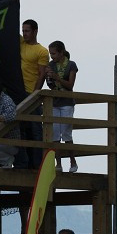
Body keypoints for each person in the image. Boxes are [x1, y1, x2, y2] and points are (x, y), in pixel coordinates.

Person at [18, 19, 49, 169]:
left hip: (31, 92)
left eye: (27, 31)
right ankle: (23, 163)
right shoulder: (21, 43)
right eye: (23, 31)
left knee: (36, 129)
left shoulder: (42, 51)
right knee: (20, 128)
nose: (25, 34)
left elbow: (42, 74)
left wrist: (35, 94)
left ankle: (37, 164)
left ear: (35, 31)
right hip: (18, 91)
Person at [46, 41, 79, 172]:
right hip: (55, 102)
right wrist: (50, 79)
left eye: (53, 53)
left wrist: (56, 77)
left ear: (61, 52)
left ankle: (73, 161)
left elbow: (70, 85)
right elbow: (50, 85)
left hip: (66, 103)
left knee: (66, 133)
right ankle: (58, 163)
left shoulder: (71, 65)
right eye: (50, 54)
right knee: (54, 134)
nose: (52, 56)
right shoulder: (51, 65)